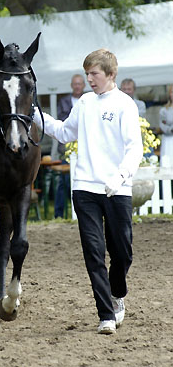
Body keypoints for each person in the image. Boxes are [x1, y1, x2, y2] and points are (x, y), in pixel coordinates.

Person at [34, 49, 143, 334]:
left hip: (117, 189)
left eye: (94, 74)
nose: (89, 79)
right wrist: (33, 114)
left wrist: (121, 176)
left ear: (110, 74)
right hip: (85, 188)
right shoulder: (84, 103)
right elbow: (64, 131)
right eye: (87, 74)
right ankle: (105, 314)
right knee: (94, 252)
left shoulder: (125, 105)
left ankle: (117, 294)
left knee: (123, 252)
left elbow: (135, 149)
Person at [54, 74, 85, 218]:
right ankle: (59, 213)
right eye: (75, 84)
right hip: (67, 146)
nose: (77, 86)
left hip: (85, 145)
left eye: (80, 84)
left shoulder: (89, 100)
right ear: (72, 85)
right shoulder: (64, 101)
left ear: (83, 85)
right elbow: (63, 120)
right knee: (63, 181)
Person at [159, 85, 173, 167]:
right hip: (168, 140)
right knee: (167, 163)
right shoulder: (164, 110)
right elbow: (162, 124)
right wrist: (170, 130)